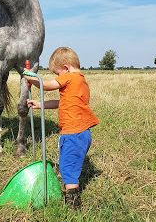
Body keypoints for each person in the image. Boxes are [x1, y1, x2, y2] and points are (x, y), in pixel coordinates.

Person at [23, 47, 99, 209]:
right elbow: (62, 103)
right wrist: (39, 104)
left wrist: (31, 78)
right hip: (82, 133)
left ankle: (72, 201)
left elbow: (47, 85)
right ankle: (72, 193)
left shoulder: (71, 77)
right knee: (70, 163)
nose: (57, 77)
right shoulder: (81, 82)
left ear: (66, 68)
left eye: (57, 74)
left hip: (73, 133)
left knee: (67, 166)